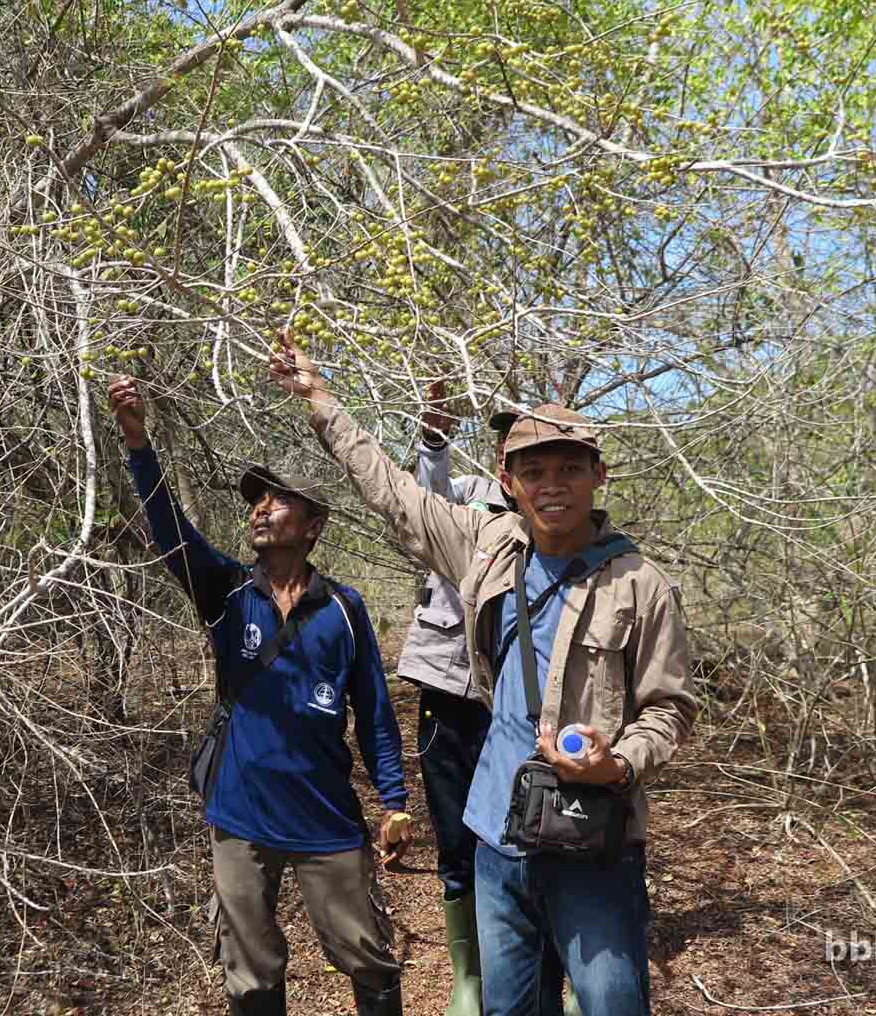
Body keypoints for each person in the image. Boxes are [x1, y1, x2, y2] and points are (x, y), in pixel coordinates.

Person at [268, 336, 698, 1016]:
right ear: (508, 479)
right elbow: (393, 492)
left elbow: (670, 708)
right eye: (533, 471)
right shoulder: (488, 544)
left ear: (598, 476)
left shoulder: (640, 584)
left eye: (567, 468)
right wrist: (321, 403)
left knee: (612, 1002)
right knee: (509, 1007)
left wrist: (616, 763)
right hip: (497, 829)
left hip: (593, 840)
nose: (550, 484)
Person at [108, 374, 410, 1016]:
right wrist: (140, 444)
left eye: (277, 501)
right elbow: (171, 531)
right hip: (240, 815)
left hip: (324, 815)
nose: (260, 509)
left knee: (365, 953)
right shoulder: (224, 593)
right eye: (256, 502)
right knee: (248, 967)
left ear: (313, 525)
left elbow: (376, 713)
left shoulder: (346, 611)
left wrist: (394, 800)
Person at [396, 388, 512, 1016]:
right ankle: (467, 973)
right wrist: (433, 440)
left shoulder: (557, 521)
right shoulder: (468, 494)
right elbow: (425, 504)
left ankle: (534, 962)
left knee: (529, 832)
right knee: (452, 830)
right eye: (508, 440)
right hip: (448, 684)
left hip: (519, 705)